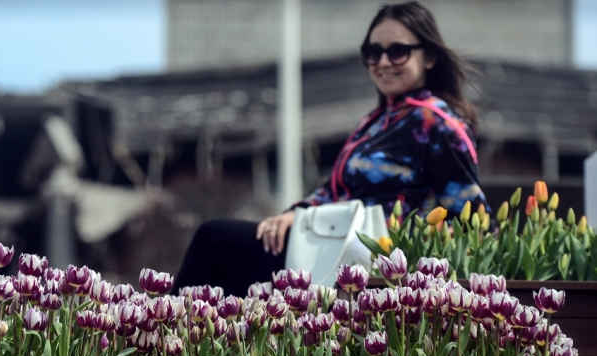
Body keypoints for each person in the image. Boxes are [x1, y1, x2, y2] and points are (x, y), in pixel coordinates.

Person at [173, 1, 490, 298]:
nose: (382, 62)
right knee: (227, 278)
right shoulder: (378, 120)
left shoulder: (435, 122)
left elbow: (473, 218)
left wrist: (416, 261)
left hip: (377, 261)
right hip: (335, 244)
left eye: (397, 52)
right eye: (372, 52)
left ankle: (155, 342)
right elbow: (337, 190)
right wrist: (298, 213)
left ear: (430, 57)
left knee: (214, 239)